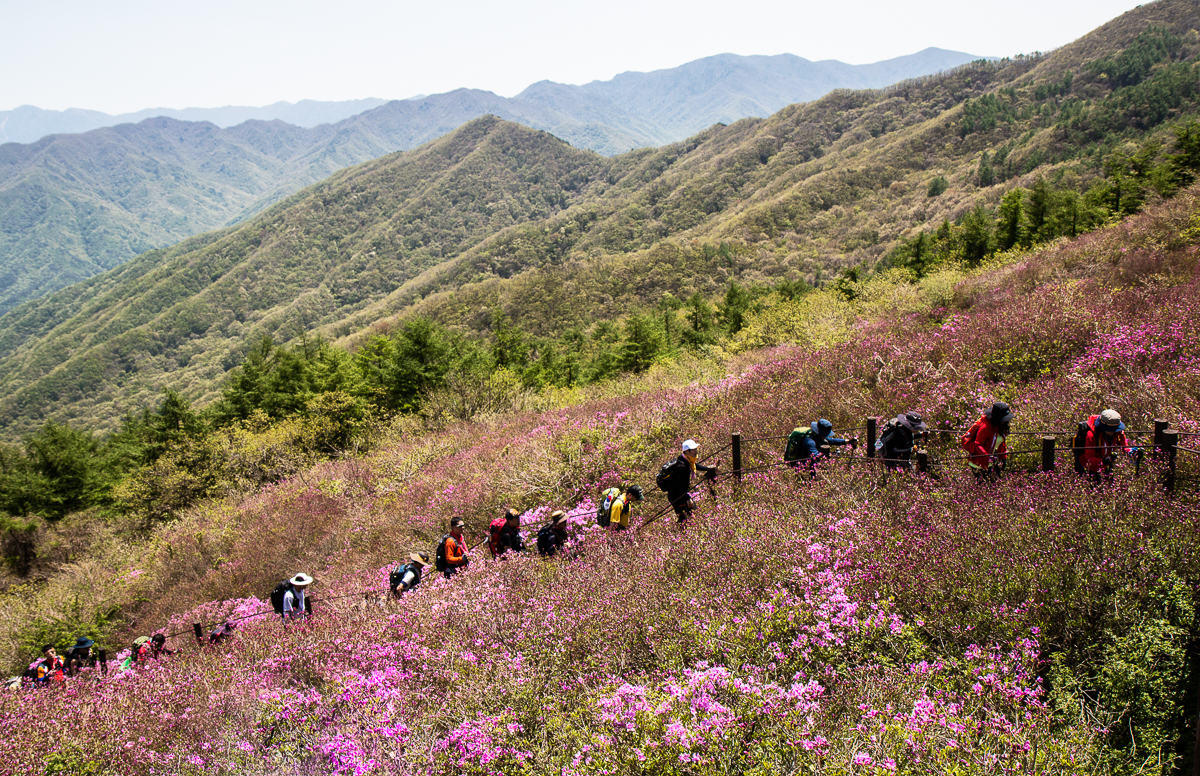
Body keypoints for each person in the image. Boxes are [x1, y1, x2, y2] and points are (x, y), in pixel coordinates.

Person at [661, 440, 718, 524]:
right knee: (687, 517)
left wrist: (707, 468)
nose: (696, 451)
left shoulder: (685, 459)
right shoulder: (681, 467)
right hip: (677, 497)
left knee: (689, 516)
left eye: (696, 449)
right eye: (693, 449)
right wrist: (687, 499)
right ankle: (682, 530)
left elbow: (695, 465)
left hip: (679, 495)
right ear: (687, 451)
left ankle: (682, 528)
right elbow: (680, 485)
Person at [1076, 409, 1139, 484]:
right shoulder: (1091, 435)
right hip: (1091, 468)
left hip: (1107, 466)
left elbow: (1124, 447)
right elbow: (1088, 458)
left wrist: (1132, 452)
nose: (1113, 431)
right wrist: (1103, 461)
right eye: (1110, 429)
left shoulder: (1118, 432)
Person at [962, 402, 1012, 478]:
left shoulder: (1001, 426)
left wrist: (1003, 457)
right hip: (979, 464)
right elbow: (977, 444)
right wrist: (988, 457)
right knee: (983, 484)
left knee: (996, 483)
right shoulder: (985, 426)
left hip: (992, 462)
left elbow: (1001, 442)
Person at [784, 419, 858, 469]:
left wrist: (848, 441)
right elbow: (816, 456)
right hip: (806, 467)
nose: (826, 436)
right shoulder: (809, 442)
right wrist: (832, 455)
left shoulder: (816, 435)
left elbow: (831, 440)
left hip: (812, 465)